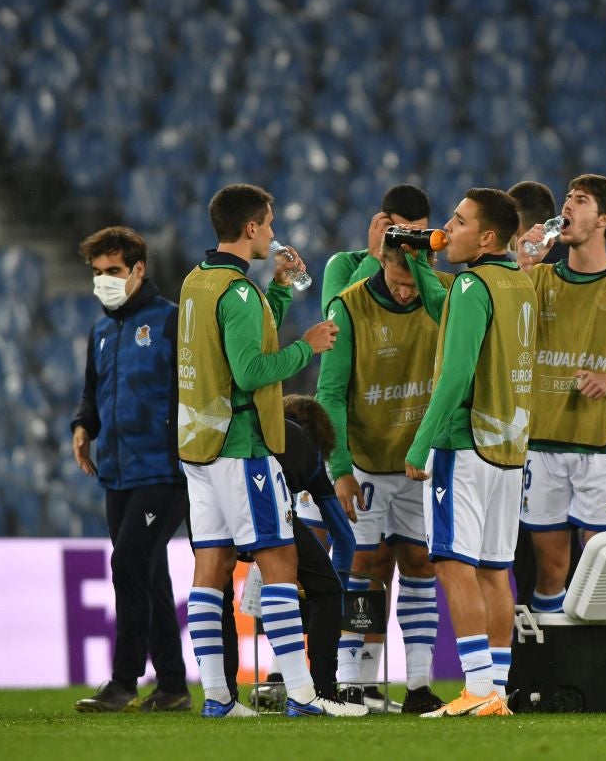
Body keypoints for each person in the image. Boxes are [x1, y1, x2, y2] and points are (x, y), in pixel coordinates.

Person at [177, 183, 363, 718]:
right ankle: (305, 695)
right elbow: (252, 370)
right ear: (252, 228)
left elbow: (235, 345)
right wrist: (308, 345)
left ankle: (217, 697)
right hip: (240, 446)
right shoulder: (237, 294)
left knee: (210, 565)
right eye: (270, 223)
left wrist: (278, 293)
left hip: (197, 445)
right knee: (280, 558)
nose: (275, 234)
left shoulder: (198, 282)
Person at [404, 188, 535, 718]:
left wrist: (421, 442)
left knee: (453, 565)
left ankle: (477, 688)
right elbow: (463, 325)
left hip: (464, 442)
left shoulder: (469, 286)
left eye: (458, 222)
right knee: (494, 570)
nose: (447, 229)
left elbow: (457, 372)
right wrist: (419, 266)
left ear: (485, 237)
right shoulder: (518, 284)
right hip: (509, 446)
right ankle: (495, 692)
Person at [514, 176, 606, 613]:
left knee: (601, 564)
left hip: (601, 447)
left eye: (580, 200)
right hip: (540, 444)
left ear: (604, 219)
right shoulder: (537, 278)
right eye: (566, 197)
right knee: (550, 571)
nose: (566, 205)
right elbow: (494, 320)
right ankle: (553, 672)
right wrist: (521, 266)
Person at [317, 241, 451, 714]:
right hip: (367, 462)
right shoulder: (349, 306)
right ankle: (352, 680)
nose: (404, 294)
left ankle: (418, 685)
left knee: (420, 563)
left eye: (414, 286)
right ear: (384, 266)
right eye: (396, 283)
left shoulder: (448, 297)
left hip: (420, 463)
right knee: (364, 566)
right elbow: (329, 393)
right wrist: (341, 469)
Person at [69, 227, 193, 713]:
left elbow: (191, 390)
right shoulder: (101, 332)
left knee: (127, 564)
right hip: (117, 472)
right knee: (149, 572)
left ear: (139, 270)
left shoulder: (169, 323)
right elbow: (91, 392)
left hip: (163, 472)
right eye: (98, 273)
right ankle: (173, 687)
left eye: (113, 272)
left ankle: (123, 681)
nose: (104, 281)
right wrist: (83, 426)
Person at [268, 395, 357, 702]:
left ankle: (224, 693)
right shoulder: (312, 455)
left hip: (216, 500)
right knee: (322, 589)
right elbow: (345, 538)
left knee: (225, 586)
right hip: (268, 512)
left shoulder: (258, 429)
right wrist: (336, 593)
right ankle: (320, 691)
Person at [505, 179, 558, 605]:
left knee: (537, 565)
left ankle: (531, 665)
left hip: (535, 442)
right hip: (538, 441)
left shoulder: (546, 280)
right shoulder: (488, 281)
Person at [320, 184, 433, 313]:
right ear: (383, 226)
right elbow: (336, 324)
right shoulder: (345, 264)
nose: (409, 244)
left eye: (418, 234)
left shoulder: (429, 276)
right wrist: (374, 256)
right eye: (403, 234)